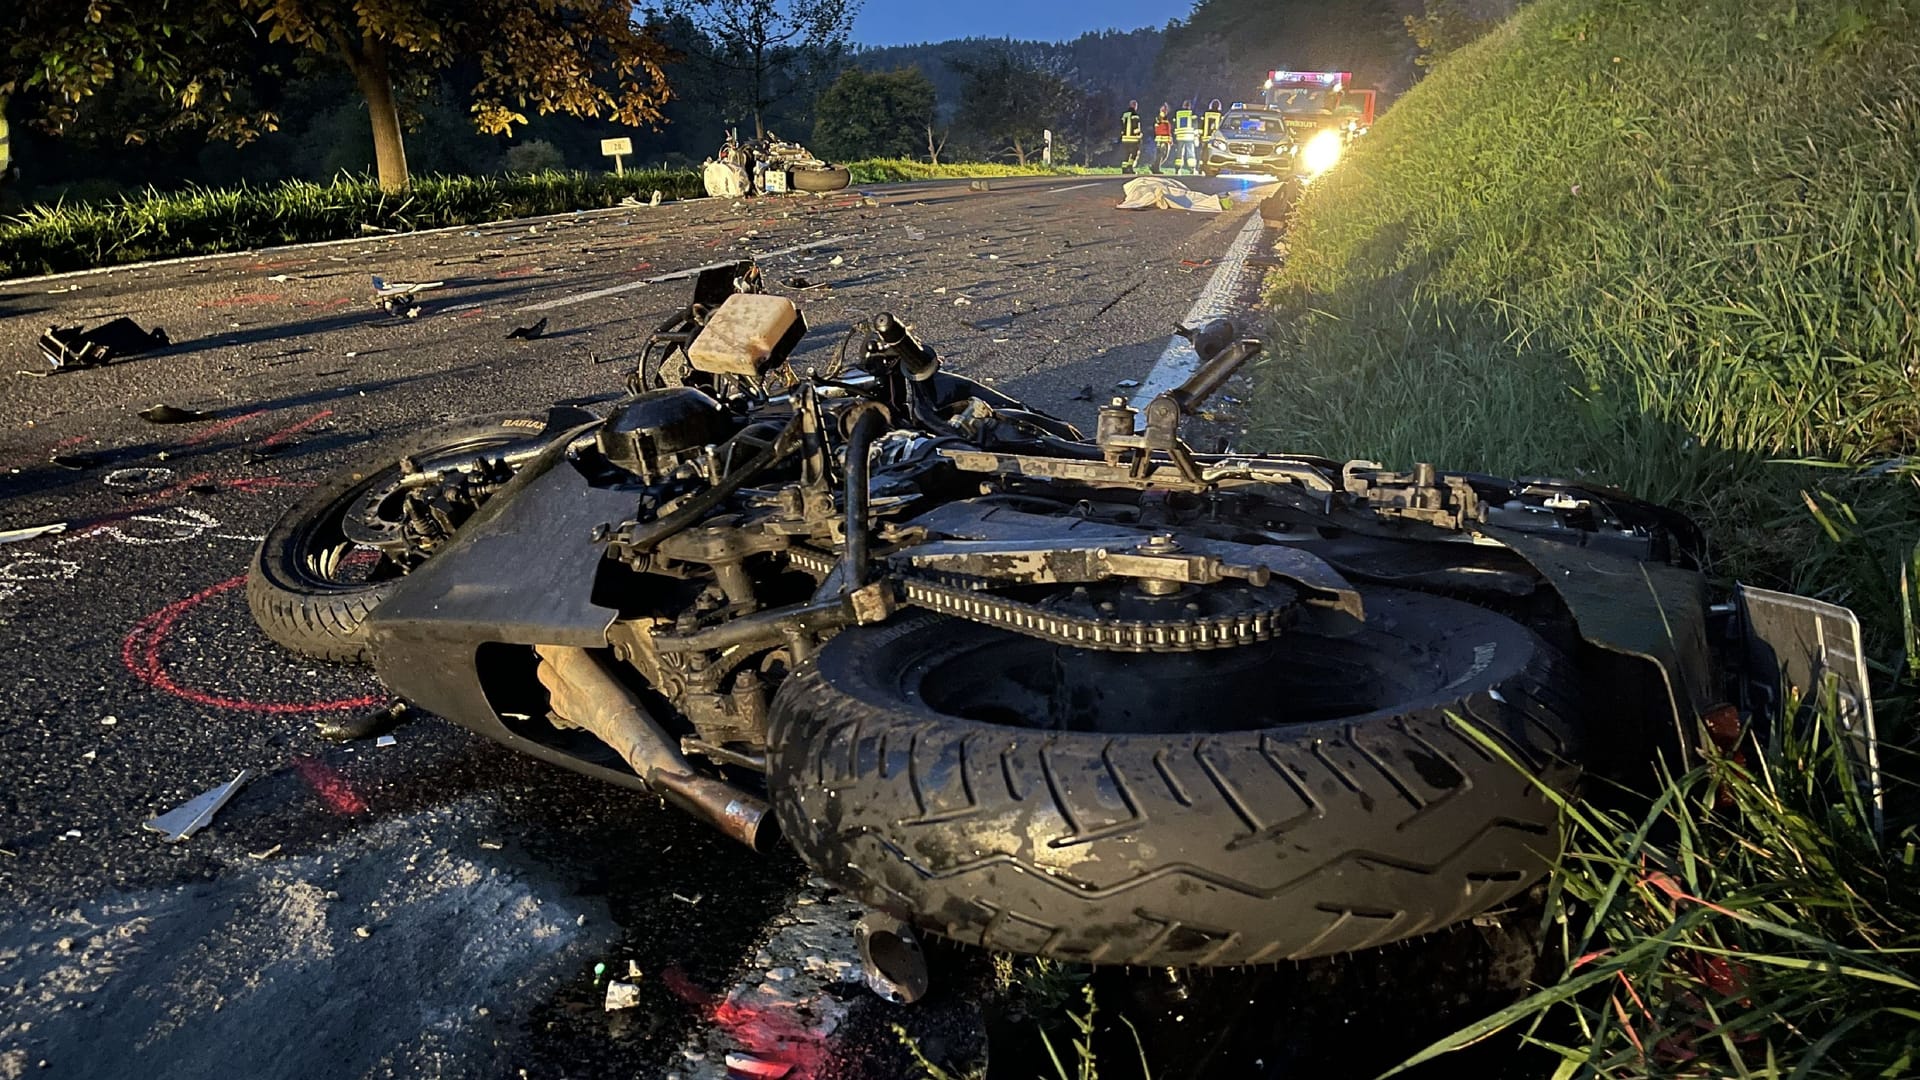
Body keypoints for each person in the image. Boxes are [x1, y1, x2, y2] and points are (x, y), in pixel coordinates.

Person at [1173, 99, 1200, 175]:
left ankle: (1177, 169)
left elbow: (1174, 125)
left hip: (1180, 137)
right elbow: (1195, 125)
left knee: (1179, 154)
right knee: (1190, 154)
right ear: (1189, 106)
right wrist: (1196, 136)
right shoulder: (1192, 113)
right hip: (1189, 137)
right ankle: (1192, 169)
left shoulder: (1178, 113)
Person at [1119, 100, 1143, 173]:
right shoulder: (1135, 115)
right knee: (1134, 153)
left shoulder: (1124, 115)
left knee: (1126, 153)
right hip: (1133, 138)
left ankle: (1124, 168)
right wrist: (1139, 136)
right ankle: (1130, 167)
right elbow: (1137, 128)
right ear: (1134, 106)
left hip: (1124, 138)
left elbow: (1121, 125)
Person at [1152, 104, 1173, 174]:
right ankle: (1156, 168)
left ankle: (1155, 167)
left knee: (1162, 155)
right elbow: (1160, 127)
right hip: (1162, 139)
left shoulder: (1164, 118)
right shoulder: (1161, 117)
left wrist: (1170, 139)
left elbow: (1168, 130)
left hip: (1164, 139)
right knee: (1162, 154)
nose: (1166, 111)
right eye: (1165, 109)